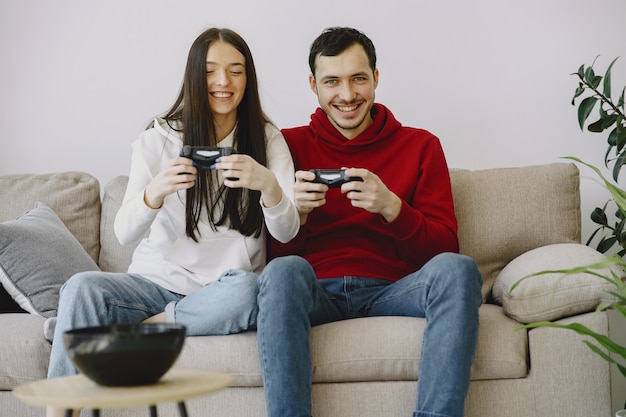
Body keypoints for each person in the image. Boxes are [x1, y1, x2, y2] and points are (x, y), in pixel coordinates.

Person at [45, 27, 299, 417]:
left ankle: (142, 330)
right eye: (211, 70)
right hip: (153, 285)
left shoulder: (267, 140)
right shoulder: (159, 137)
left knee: (251, 291)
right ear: (193, 77)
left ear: (248, 79)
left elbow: (287, 230)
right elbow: (124, 232)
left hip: (222, 292)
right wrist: (155, 191)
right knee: (81, 288)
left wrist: (267, 184)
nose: (223, 82)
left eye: (236, 71)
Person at [256, 27, 483, 417]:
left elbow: (445, 250)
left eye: (358, 78)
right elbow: (271, 259)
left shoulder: (421, 145)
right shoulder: (285, 145)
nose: (347, 95)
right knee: (282, 272)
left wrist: (393, 207)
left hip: (393, 291)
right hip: (315, 292)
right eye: (332, 82)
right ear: (313, 85)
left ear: (376, 79)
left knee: (459, 269)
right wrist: (298, 216)